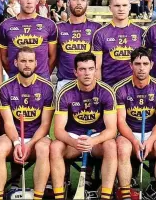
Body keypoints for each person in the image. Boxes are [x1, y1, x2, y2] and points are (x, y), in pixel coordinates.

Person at [50, 52, 118, 200]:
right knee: (55, 147)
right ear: (75, 72)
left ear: (95, 69)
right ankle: (59, 196)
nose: (87, 73)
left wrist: (92, 141)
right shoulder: (65, 92)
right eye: (82, 69)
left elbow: (112, 130)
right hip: (74, 139)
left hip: (96, 139)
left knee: (111, 146)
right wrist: (75, 143)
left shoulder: (106, 91)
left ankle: (105, 195)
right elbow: (58, 131)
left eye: (90, 68)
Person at [0, 48, 54, 200]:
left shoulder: (47, 87)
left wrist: (30, 144)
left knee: (44, 149)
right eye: (23, 61)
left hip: (37, 136)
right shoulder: (5, 88)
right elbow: (8, 122)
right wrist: (16, 142)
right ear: (15, 62)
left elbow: (45, 125)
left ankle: (38, 196)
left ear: (36, 64)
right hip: (14, 135)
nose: (27, 65)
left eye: (30, 61)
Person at [114, 48, 156, 200]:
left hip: (152, 133)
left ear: (151, 65)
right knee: (122, 148)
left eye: (145, 63)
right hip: (129, 133)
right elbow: (120, 121)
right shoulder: (119, 88)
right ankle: (125, 195)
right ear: (130, 65)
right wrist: (134, 140)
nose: (141, 68)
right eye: (137, 63)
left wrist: (150, 140)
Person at [0, 0, 58, 80]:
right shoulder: (5, 25)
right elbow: (3, 58)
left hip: (42, 81)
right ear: (19, 0)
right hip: (15, 82)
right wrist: (14, 75)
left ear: (37, 1)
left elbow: (53, 56)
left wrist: (44, 75)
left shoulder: (49, 24)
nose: (29, 1)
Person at [55, 0, 102, 92]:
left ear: (87, 3)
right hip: (65, 82)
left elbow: (98, 62)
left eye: (82, 0)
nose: (79, 3)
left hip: (90, 83)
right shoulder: (58, 27)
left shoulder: (96, 28)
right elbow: (54, 57)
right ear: (68, 2)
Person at [93, 0, 145, 86]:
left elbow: (145, 64)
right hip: (110, 87)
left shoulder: (140, 32)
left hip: (134, 88)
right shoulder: (100, 33)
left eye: (124, 5)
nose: (121, 9)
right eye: (117, 6)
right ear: (110, 8)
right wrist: (100, 91)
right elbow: (97, 67)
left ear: (129, 7)